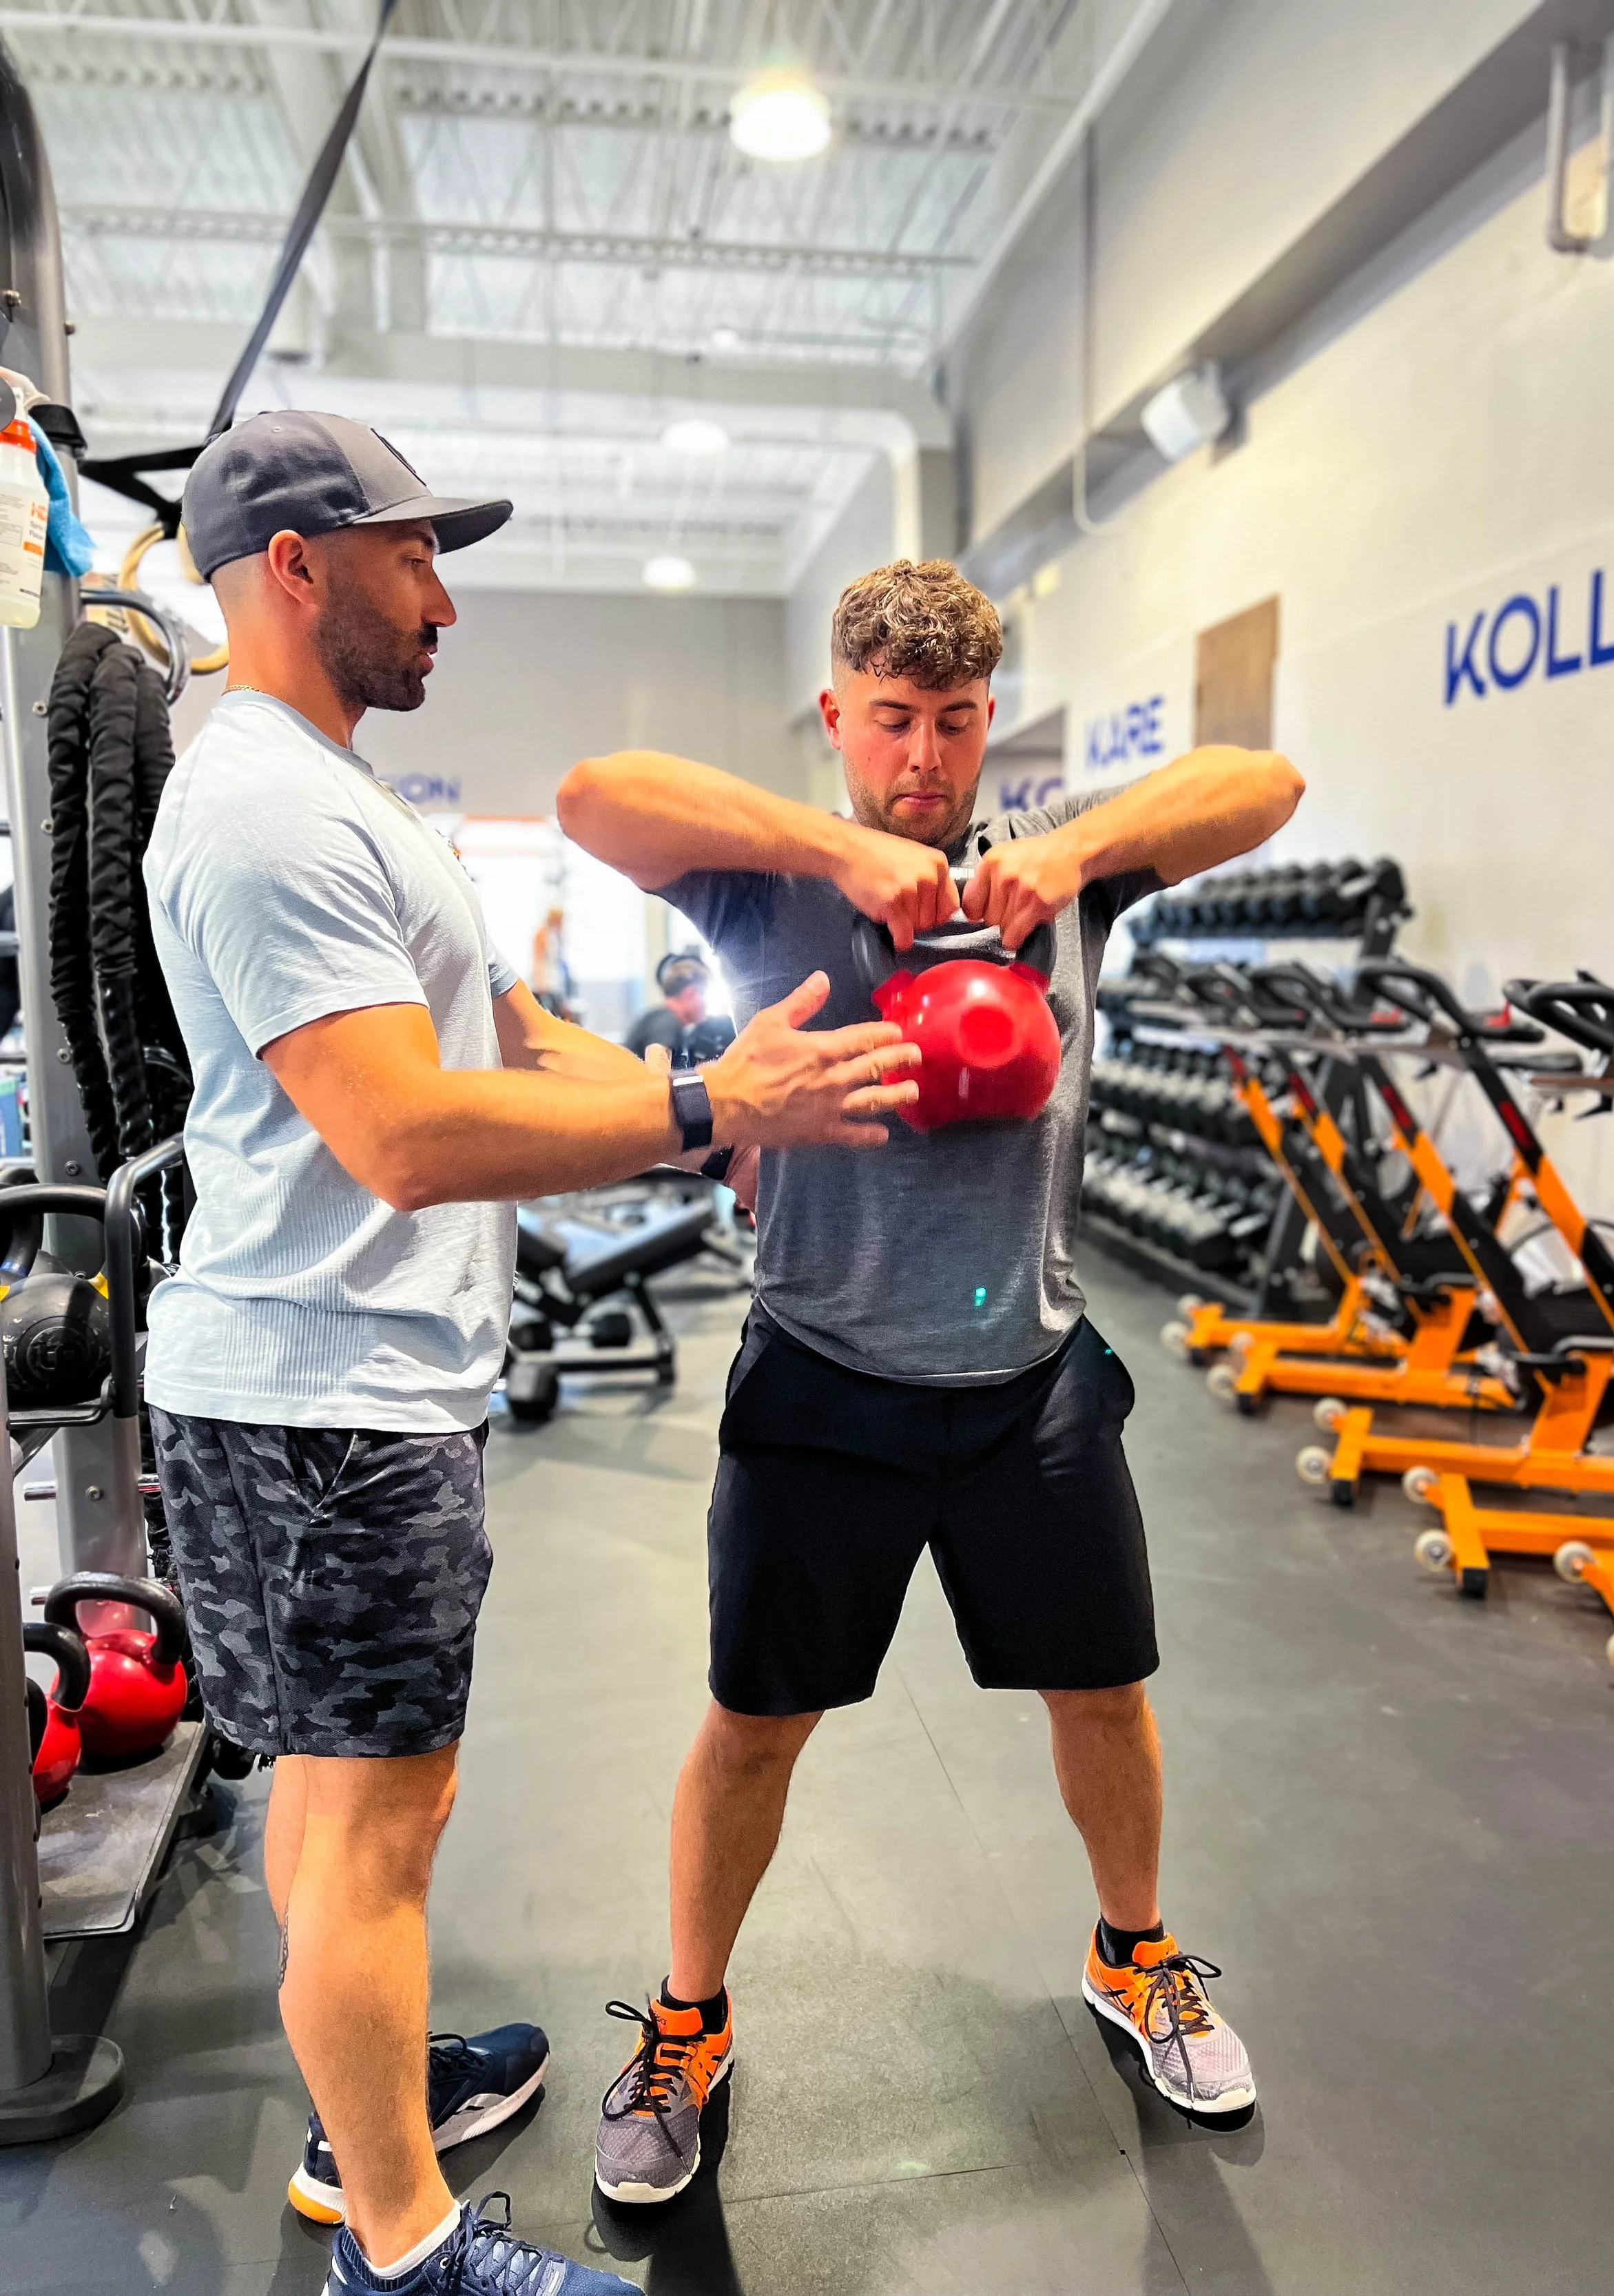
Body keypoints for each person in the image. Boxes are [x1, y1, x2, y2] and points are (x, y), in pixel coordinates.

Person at [143, 413, 920, 2296]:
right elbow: (403, 1129)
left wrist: (737, 1107)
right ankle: (404, 2254)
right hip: (321, 1401)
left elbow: (500, 1027)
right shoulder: (259, 806)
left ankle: (368, 2100)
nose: (450, 601)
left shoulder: (332, 789)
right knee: (367, 1827)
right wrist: (687, 1102)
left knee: (352, 1802)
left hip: (360, 1388)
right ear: (300, 566)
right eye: (417, 556)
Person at [557, 557, 1305, 2206]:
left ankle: (1134, 1952)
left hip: (1028, 1385)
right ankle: (690, 2016)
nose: (923, 755)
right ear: (836, 714)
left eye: (954, 723)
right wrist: (845, 848)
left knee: (1102, 1695)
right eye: (890, 719)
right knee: (755, 1729)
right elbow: (592, 795)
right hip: (821, 1378)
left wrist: (1075, 847)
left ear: (986, 730)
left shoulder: (1057, 890)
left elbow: (1268, 782)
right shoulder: (767, 893)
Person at [624, 950, 727, 1062]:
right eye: (703, 993)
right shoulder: (667, 1023)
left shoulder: (659, 1018)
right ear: (690, 994)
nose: (705, 1004)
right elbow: (659, 1074)